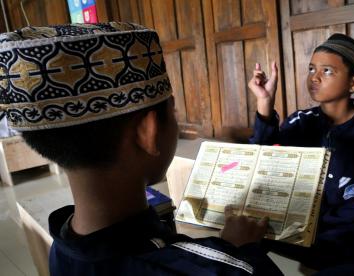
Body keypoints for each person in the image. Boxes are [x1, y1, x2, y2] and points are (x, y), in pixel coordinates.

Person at [0, 22, 282, 275]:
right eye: (172, 111)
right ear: (149, 131)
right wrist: (239, 252)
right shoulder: (233, 269)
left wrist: (222, 250)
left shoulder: (62, 250)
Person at [248, 33, 354, 275]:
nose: (314, 77)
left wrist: (333, 216)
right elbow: (262, 159)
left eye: (327, 71)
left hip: (353, 229)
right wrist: (264, 104)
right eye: (311, 69)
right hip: (303, 222)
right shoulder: (300, 121)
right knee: (242, 229)